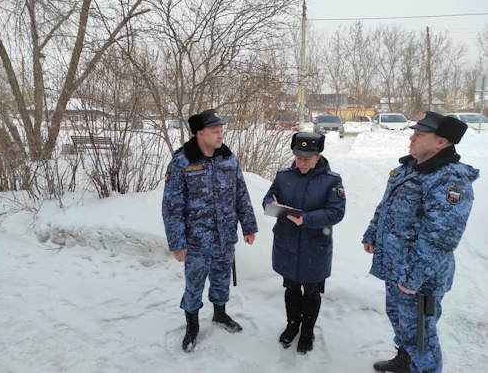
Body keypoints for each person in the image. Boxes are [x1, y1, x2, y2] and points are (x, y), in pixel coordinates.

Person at [362, 111, 479, 372]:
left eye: (420, 134)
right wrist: (372, 234)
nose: (412, 138)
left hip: (420, 281)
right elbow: (386, 206)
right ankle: (405, 361)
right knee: (400, 322)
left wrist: (412, 277)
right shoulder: (408, 169)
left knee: (421, 338)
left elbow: (441, 237)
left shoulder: (449, 179)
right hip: (396, 270)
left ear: (442, 142)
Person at [162, 108, 258, 352]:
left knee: (221, 279)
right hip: (195, 241)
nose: (220, 135)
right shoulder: (182, 162)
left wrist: (248, 226)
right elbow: (172, 206)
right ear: (199, 133)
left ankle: (220, 314)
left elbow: (241, 195)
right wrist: (178, 243)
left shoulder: (228, 160)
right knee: (194, 285)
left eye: (221, 131)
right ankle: (192, 326)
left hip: (225, 236)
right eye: (215, 131)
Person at [263, 132, 346, 354]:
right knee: (291, 287)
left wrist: (306, 219)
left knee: (311, 290)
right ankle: (292, 326)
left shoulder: (331, 180)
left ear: (318, 156)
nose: (302, 162)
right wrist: (275, 205)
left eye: (307, 158)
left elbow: (337, 212)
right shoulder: (283, 176)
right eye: (298, 157)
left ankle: (307, 331)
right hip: (287, 244)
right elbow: (268, 200)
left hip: (314, 246)